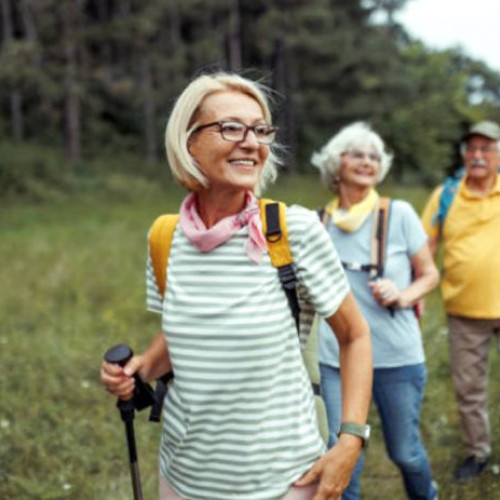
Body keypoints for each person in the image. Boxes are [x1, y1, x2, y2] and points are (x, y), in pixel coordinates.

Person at [100, 72, 372, 500]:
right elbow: (184, 333)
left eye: (260, 130)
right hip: (183, 477)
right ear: (189, 142)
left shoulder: (294, 231)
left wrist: (350, 439)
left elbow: (354, 336)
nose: (251, 142)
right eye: (231, 127)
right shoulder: (165, 237)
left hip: (283, 481)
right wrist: (139, 369)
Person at [311, 122, 440, 500]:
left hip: (395, 356)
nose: (367, 161)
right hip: (335, 359)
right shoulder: (316, 224)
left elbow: (430, 274)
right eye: (357, 154)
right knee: (341, 456)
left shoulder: (399, 214)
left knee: (405, 452)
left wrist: (403, 294)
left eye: (374, 156)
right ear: (336, 163)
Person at [421, 120, 500, 481]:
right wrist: (418, 292)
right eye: (472, 149)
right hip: (464, 312)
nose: (478, 155)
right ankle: (477, 452)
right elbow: (425, 247)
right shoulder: (446, 194)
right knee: (469, 390)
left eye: (487, 148)